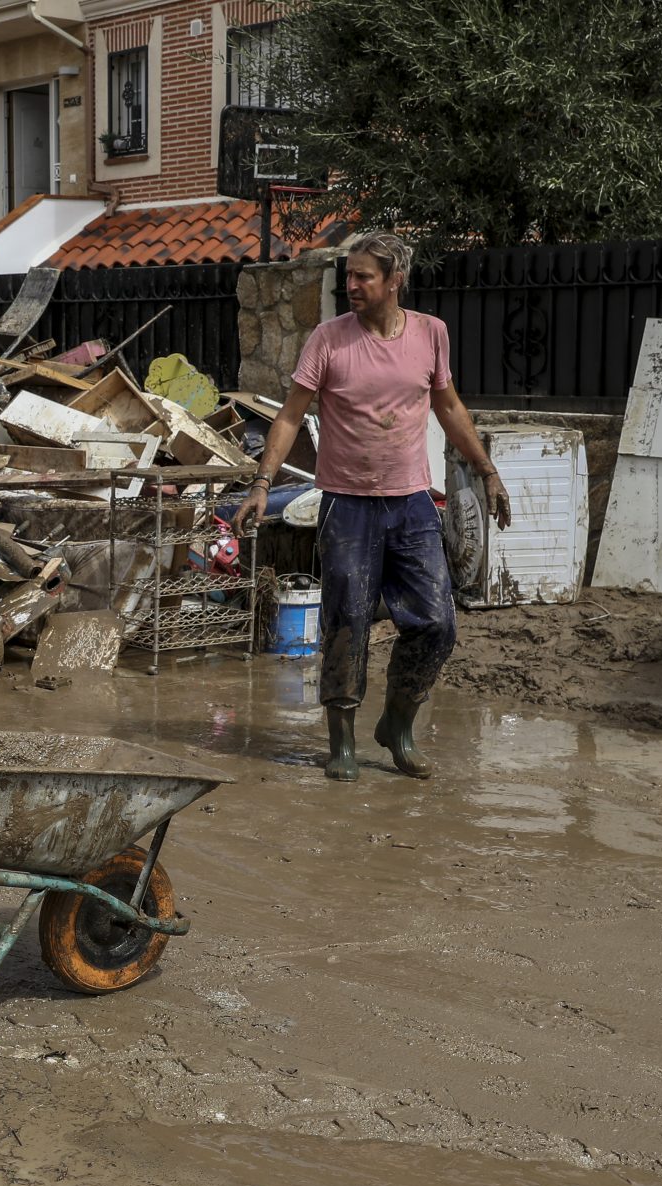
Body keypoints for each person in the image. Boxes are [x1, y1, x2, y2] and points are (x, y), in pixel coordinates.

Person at [235, 231, 511, 783]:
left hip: (410, 504)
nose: (351, 285)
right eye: (349, 275)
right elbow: (290, 416)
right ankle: (341, 742)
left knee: (437, 623)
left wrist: (487, 471)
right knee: (347, 622)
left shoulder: (432, 334)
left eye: (363, 276)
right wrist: (262, 483)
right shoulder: (328, 339)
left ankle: (397, 726)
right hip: (348, 506)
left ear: (394, 280)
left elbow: (448, 404)